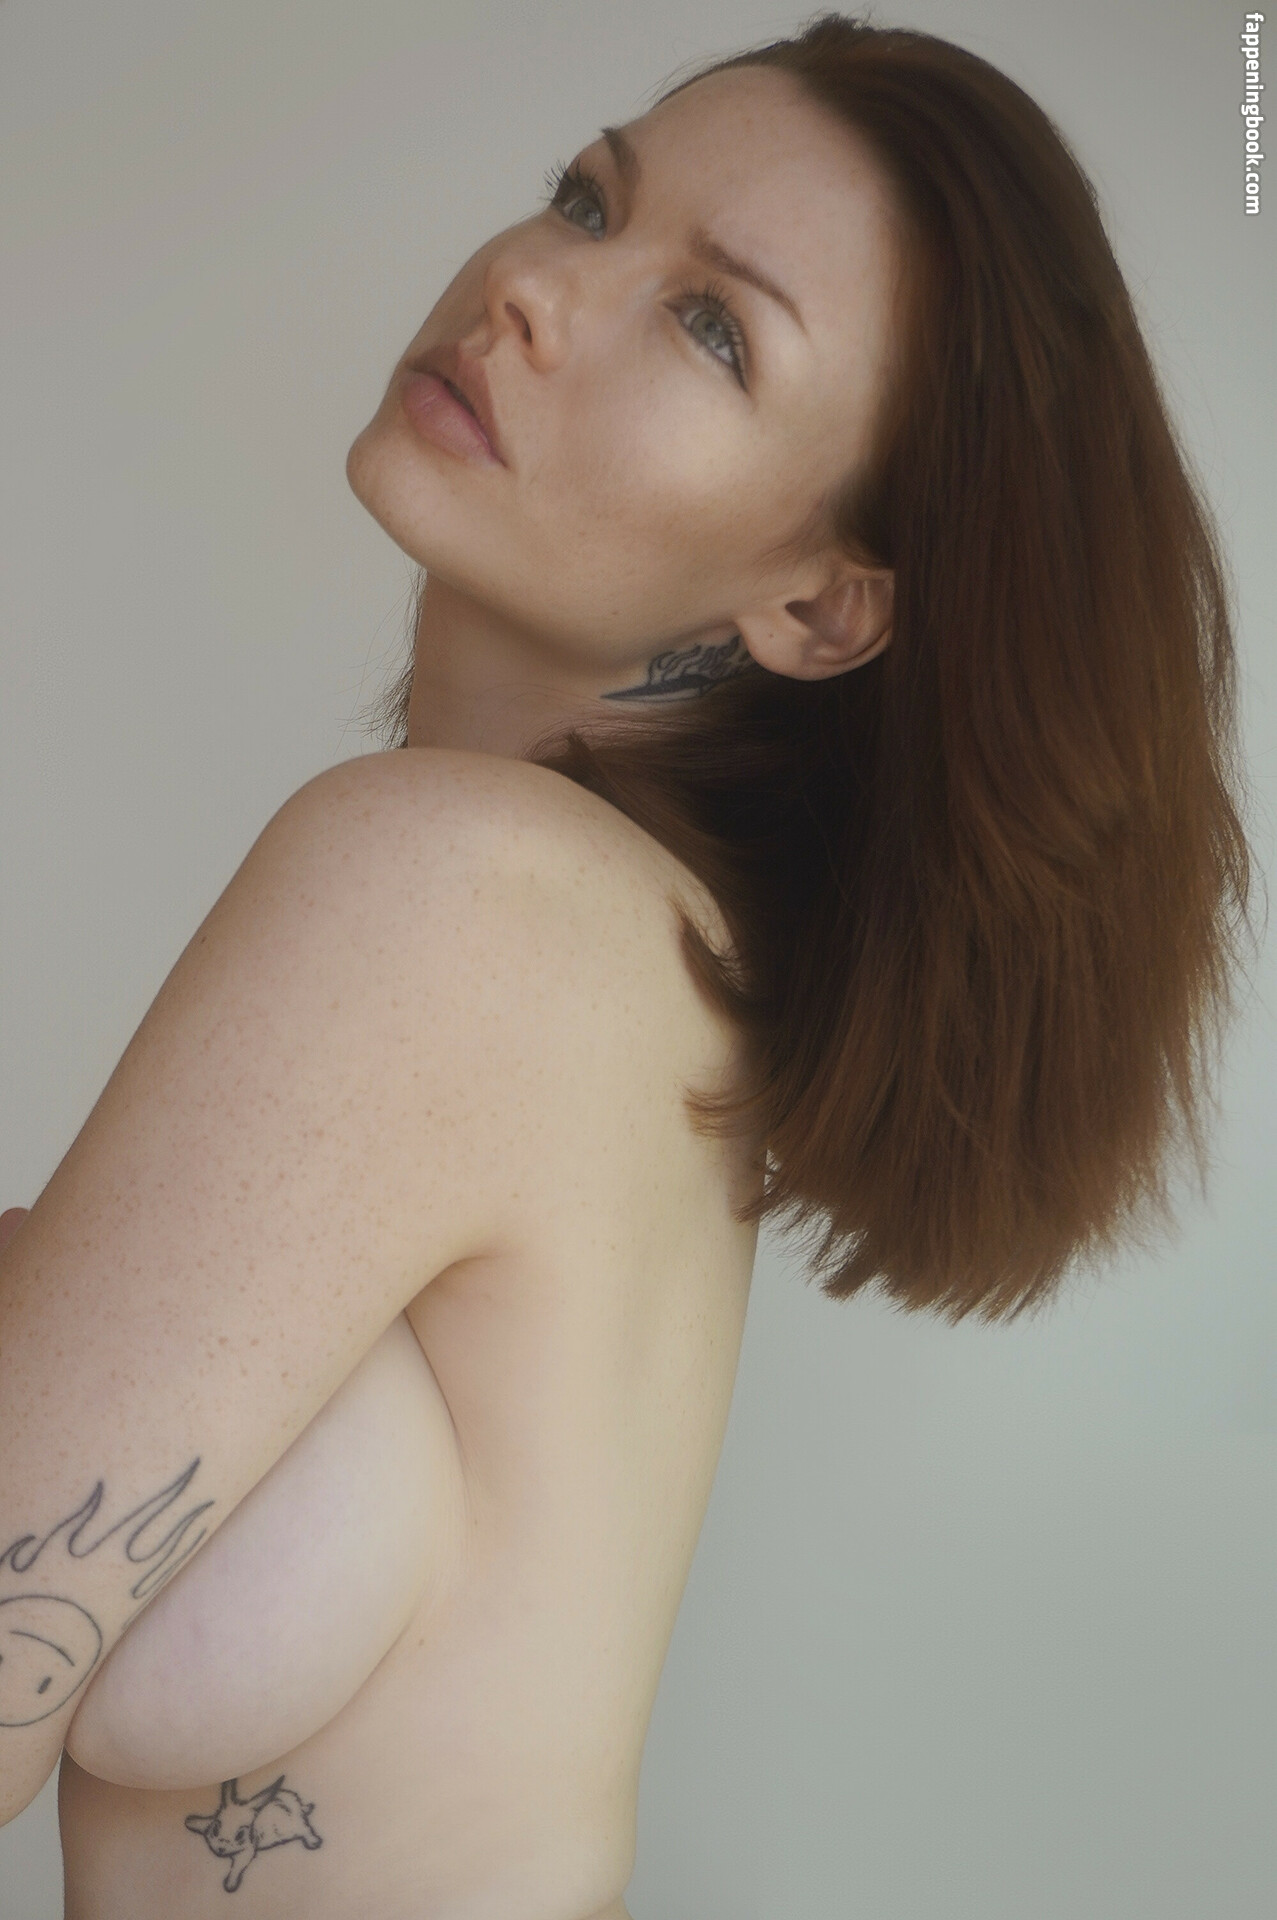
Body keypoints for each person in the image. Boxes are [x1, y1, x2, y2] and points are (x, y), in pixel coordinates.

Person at [0, 15, 1254, 1919]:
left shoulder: (462, 898)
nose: (532, 285)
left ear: (818, 601)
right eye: (589, 201)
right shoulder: (628, 965)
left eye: (713, 328)